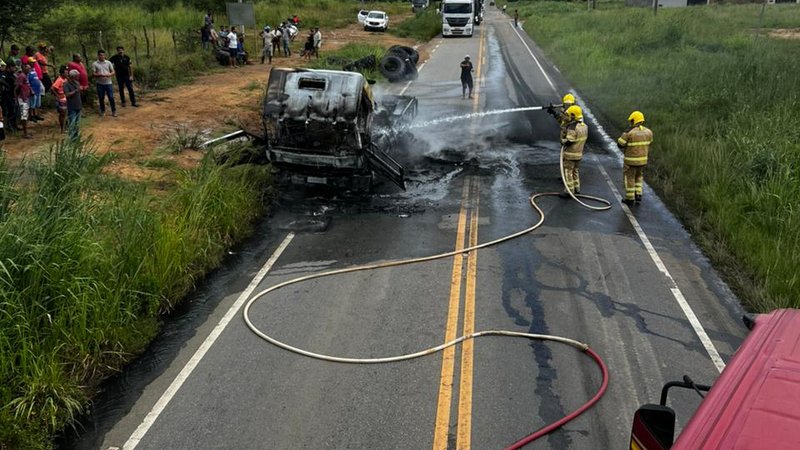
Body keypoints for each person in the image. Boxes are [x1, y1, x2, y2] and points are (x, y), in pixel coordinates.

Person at [617, 111, 653, 205]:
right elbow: (649, 142)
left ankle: (630, 198)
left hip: (631, 162)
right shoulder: (649, 132)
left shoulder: (629, 133)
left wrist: (624, 134)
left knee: (630, 178)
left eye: (631, 121)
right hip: (643, 161)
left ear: (634, 120)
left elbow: (620, 144)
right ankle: (638, 194)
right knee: (639, 176)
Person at [560, 105, 588, 197]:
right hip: (579, 154)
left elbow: (569, 141)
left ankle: (569, 191)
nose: (567, 117)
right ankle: (577, 189)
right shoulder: (584, 126)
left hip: (570, 155)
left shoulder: (572, 127)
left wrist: (563, 140)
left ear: (573, 115)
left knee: (568, 172)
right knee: (575, 171)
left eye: (568, 115)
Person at [92, 49, 117, 117]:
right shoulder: (95, 64)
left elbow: (113, 71)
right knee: (101, 98)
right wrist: (99, 75)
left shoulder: (108, 63)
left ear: (105, 55)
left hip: (108, 83)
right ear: (98, 56)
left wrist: (110, 74)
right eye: (100, 55)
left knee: (111, 97)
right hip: (100, 84)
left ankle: (114, 111)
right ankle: (103, 111)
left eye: (103, 55)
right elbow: (93, 74)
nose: (102, 56)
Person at [63, 69, 82, 141]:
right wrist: (76, 91)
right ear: (72, 76)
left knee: (77, 123)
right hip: (72, 106)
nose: (78, 77)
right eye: (77, 76)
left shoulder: (77, 83)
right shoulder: (66, 84)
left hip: (78, 105)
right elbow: (67, 94)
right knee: (72, 123)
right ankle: (72, 139)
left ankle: (76, 137)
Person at [14, 64, 32, 138]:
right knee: (24, 116)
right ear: (24, 68)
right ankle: (25, 133)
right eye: (28, 68)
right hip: (22, 98)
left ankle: (26, 132)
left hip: (25, 98)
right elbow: (17, 87)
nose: (29, 70)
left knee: (25, 115)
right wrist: (17, 98)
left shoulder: (25, 75)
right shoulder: (22, 76)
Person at [50, 66, 68, 133]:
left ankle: (65, 127)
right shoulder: (59, 80)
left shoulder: (65, 79)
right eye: (66, 73)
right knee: (62, 114)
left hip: (65, 97)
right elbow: (53, 88)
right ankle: (62, 129)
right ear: (62, 73)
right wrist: (57, 96)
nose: (67, 74)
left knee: (65, 113)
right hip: (61, 99)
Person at [0, 61, 17, 132]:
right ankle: (9, 125)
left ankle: (14, 125)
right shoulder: (4, 74)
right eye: (13, 67)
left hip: (13, 95)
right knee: (10, 110)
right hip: (7, 95)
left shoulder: (12, 74)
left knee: (14, 110)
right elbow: (1, 80)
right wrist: (7, 86)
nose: (14, 69)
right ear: (9, 67)